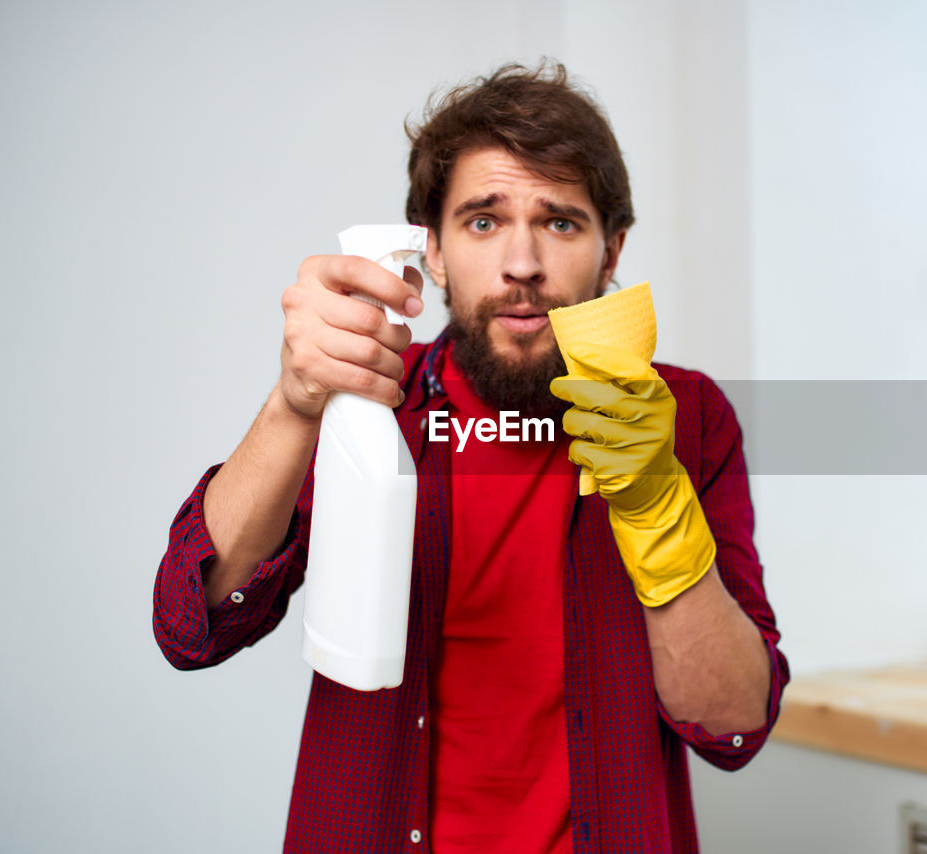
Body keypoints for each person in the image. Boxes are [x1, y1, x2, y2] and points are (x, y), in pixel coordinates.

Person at [153, 61, 788, 854]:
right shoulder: (365, 401)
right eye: (483, 222)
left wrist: (659, 505)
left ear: (612, 249)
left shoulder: (687, 421)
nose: (522, 265)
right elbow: (193, 625)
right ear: (434, 250)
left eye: (560, 222)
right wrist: (294, 404)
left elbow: (734, 725)